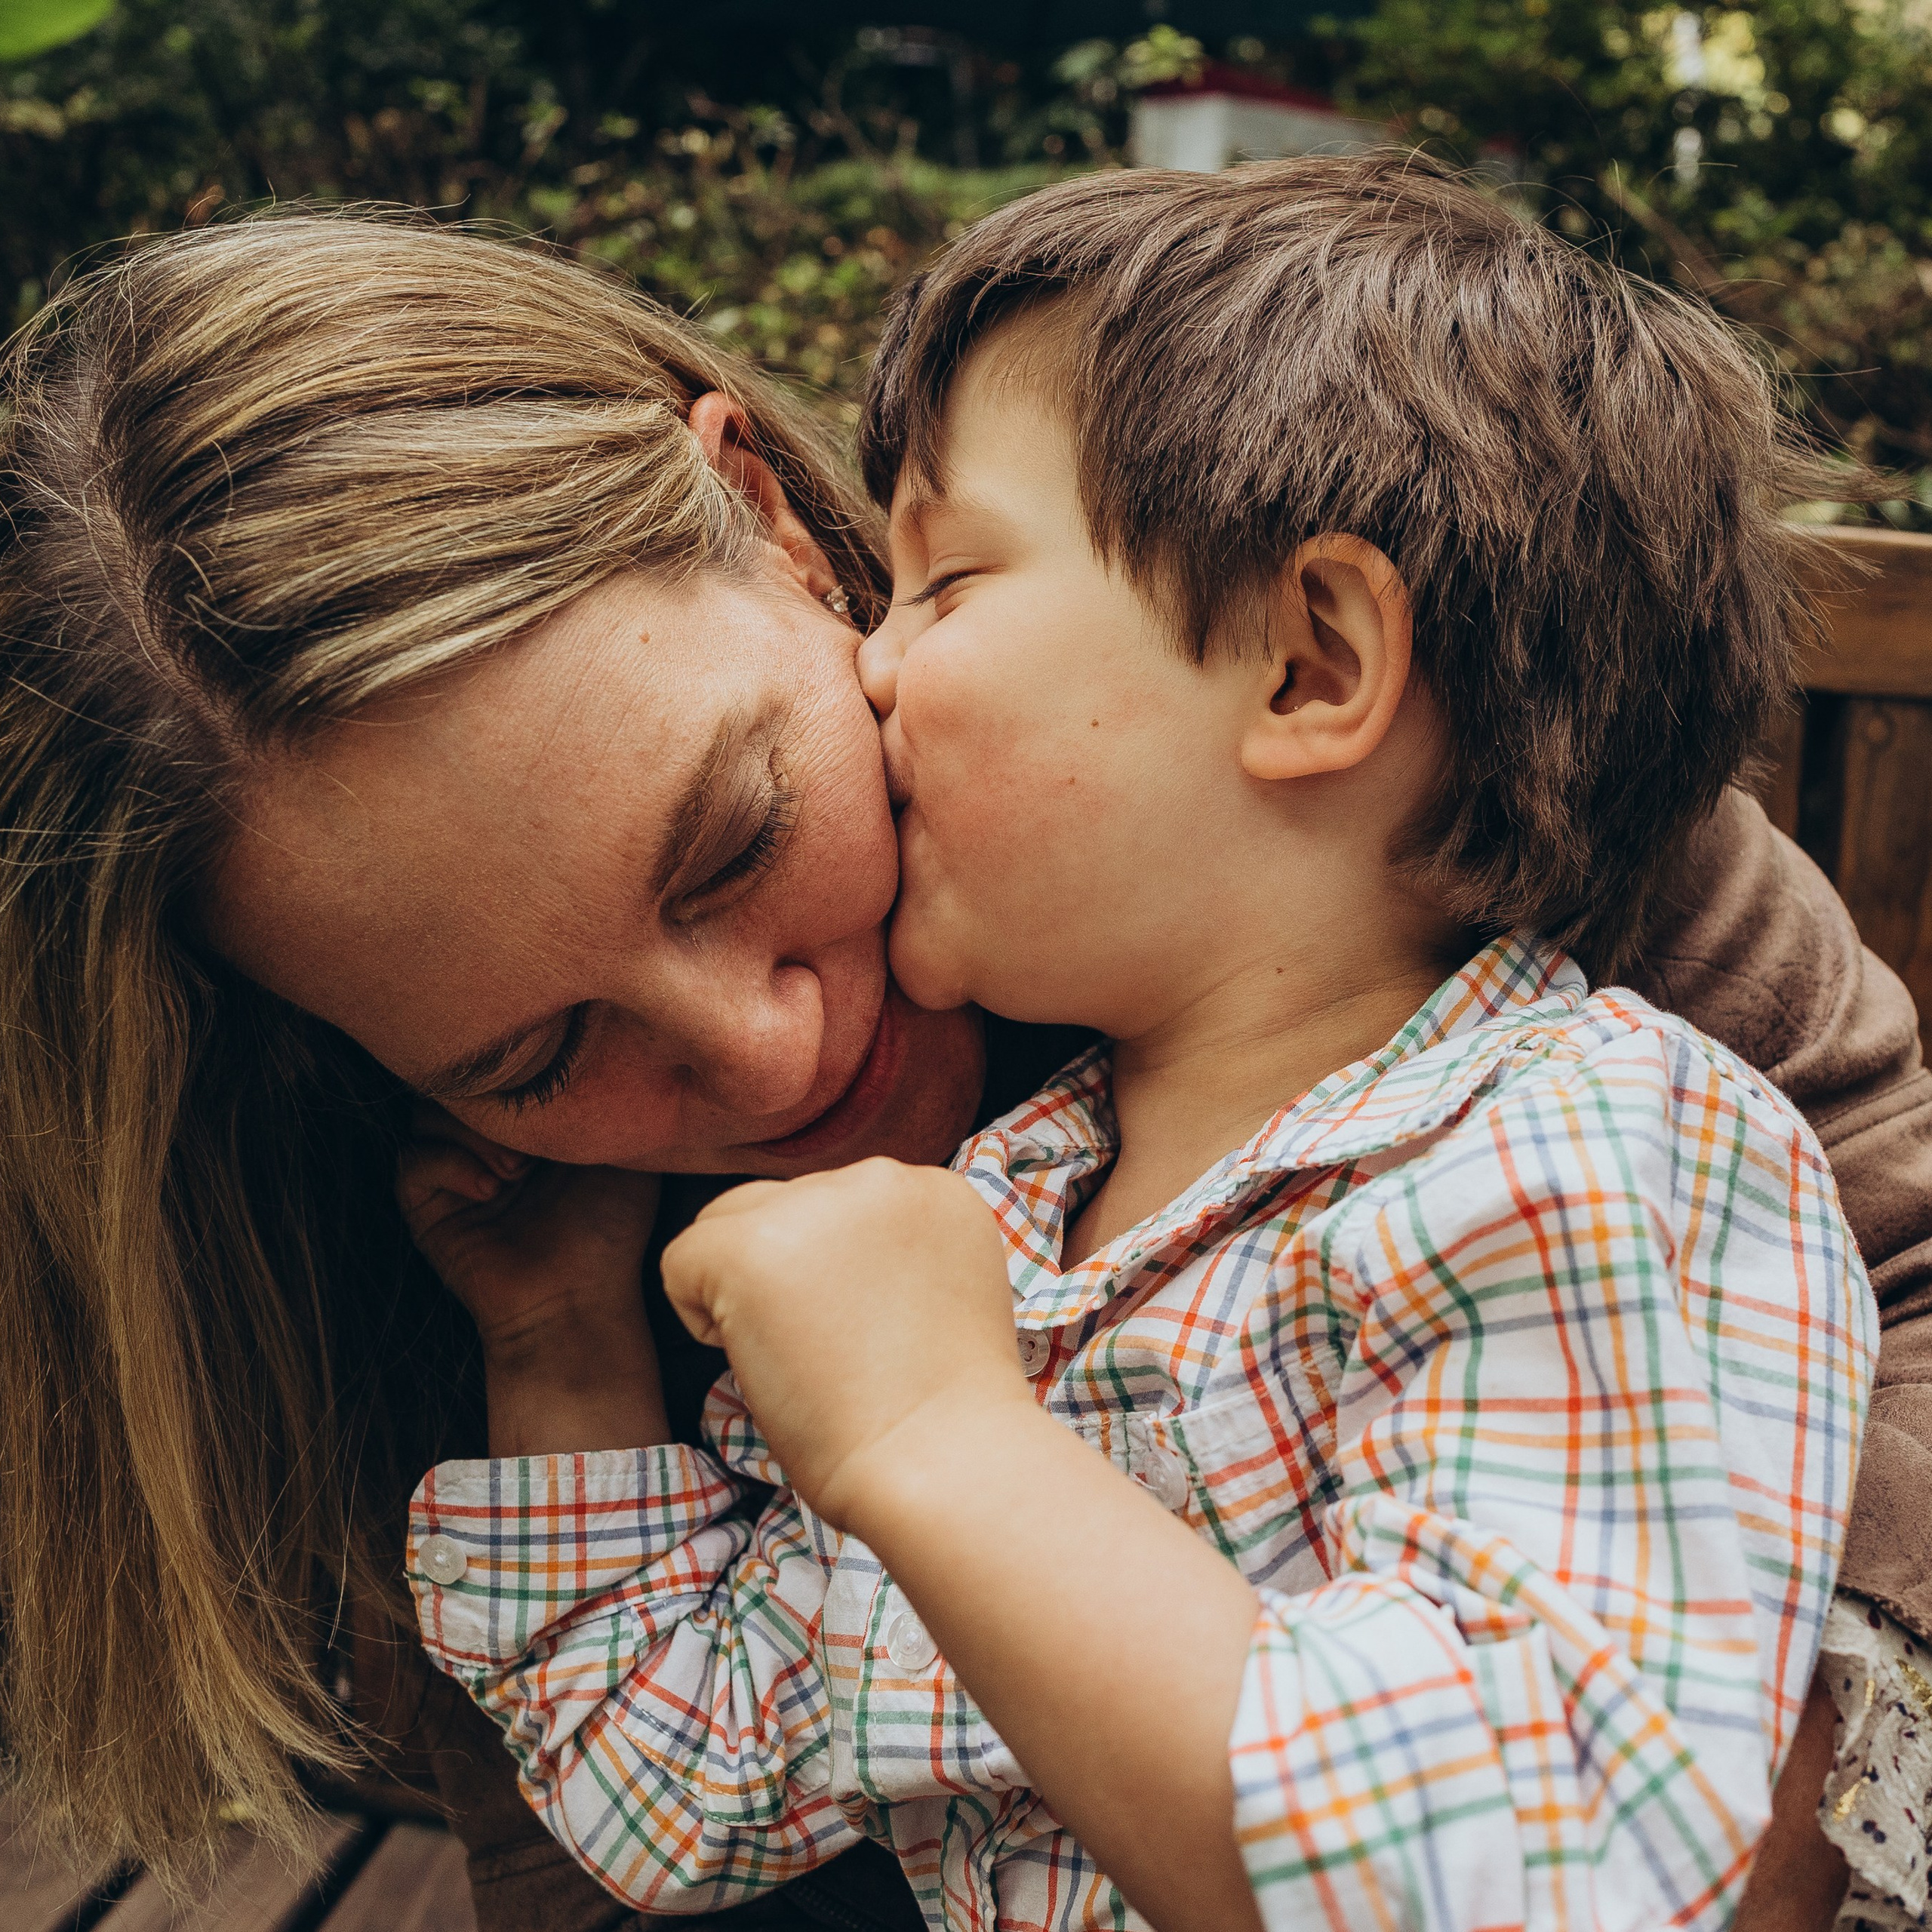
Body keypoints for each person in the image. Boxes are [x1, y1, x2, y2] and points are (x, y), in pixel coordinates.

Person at [0, 202, 1924, 1932]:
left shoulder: (1519, 965)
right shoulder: (1002, 1218)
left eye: (739, 837)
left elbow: (1570, 1859)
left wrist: (936, 1440)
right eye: (536, 1052)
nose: (770, 1058)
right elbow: (659, 1810)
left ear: (764, 518)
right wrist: (562, 1349)